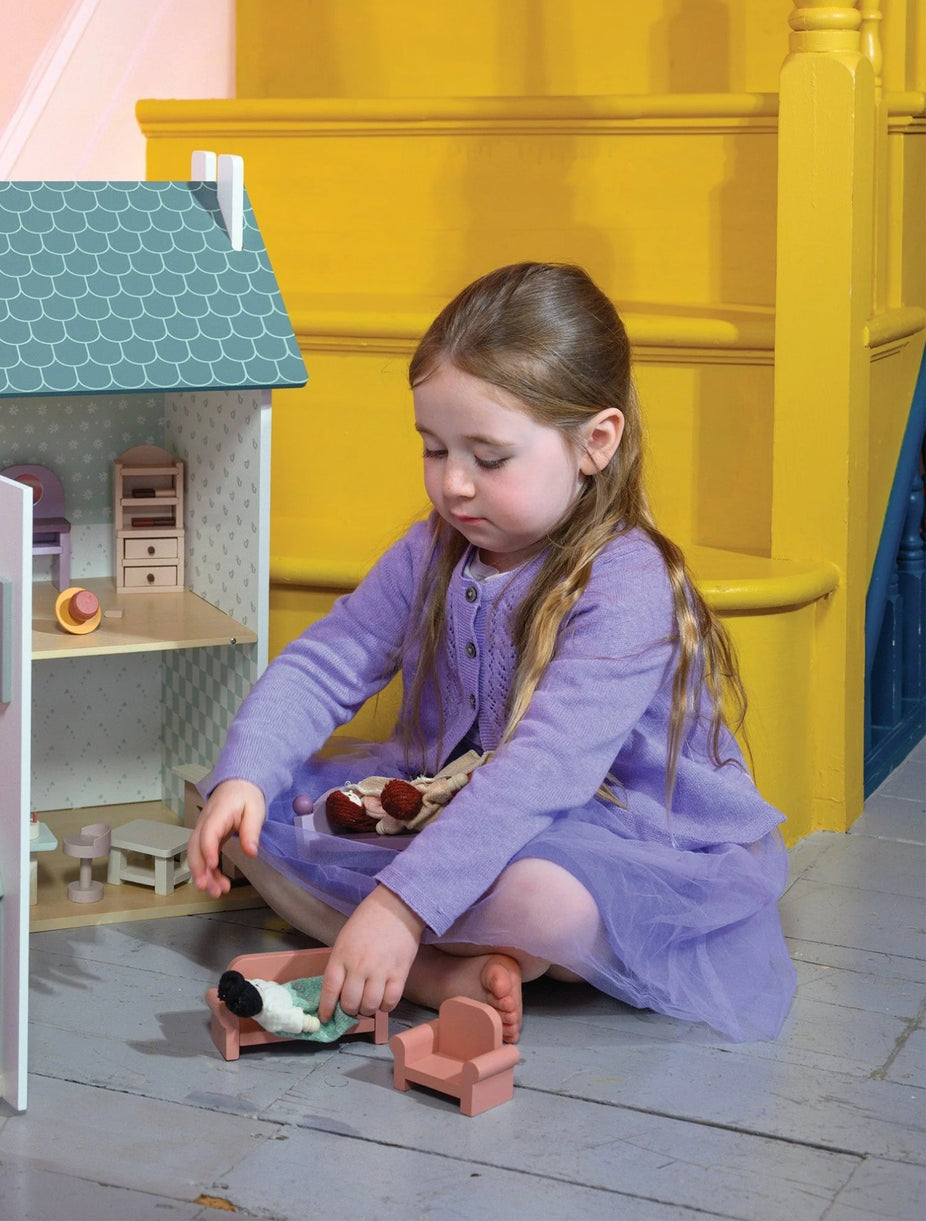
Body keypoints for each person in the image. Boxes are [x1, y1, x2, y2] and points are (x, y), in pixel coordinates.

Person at [188, 261, 796, 1044]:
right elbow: (327, 659)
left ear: (594, 443)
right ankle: (438, 969)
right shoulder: (432, 550)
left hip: (608, 829)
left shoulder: (628, 582)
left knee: (544, 904)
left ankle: (409, 943)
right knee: (260, 823)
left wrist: (401, 903)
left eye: (489, 456)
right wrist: (244, 772)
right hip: (463, 804)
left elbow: (543, 771)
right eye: (434, 449)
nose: (454, 486)